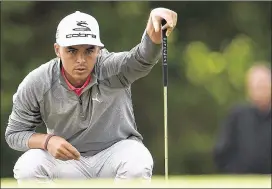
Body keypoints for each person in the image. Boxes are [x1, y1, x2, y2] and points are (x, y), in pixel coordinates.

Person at [5, 8, 177, 183]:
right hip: (67, 162)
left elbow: (141, 59)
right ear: (57, 50)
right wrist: (48, 141)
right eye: (71, 50)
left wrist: (153, 34)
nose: (80, 59)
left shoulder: (112, 68)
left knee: (137, 161)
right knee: (28, 167)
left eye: (89, 50)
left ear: (99, 50)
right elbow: (15, 134)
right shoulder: (38, 82)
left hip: (115, 153)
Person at [213, 63, 271, 174]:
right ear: (248, 89)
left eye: (264, 86)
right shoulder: (236, 116)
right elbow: (221, 152)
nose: (261, 90)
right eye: (257, 86)